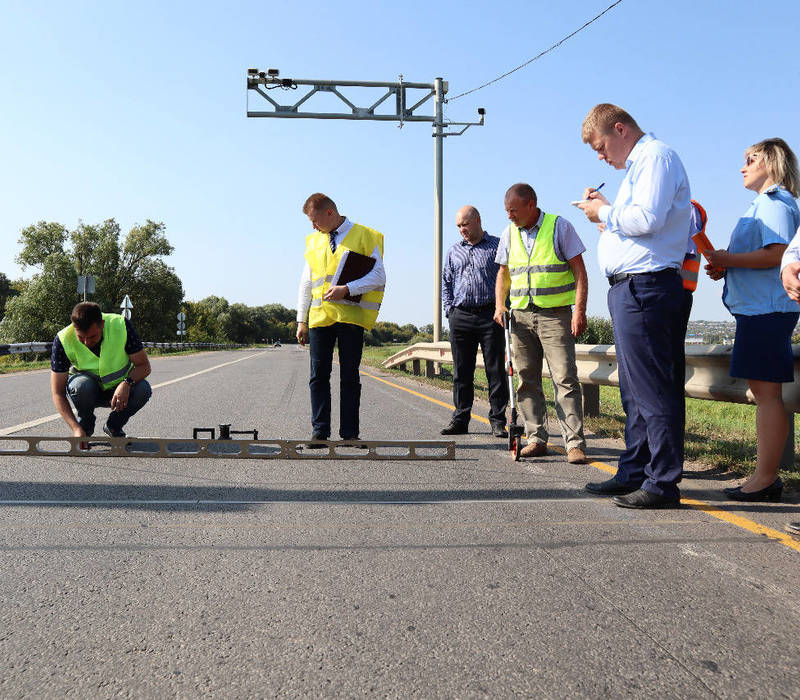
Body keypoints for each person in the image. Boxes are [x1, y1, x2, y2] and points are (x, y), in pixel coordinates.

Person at [577, 103, 691, 509]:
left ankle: (661, 482)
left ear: (620, 129)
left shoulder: (656, 157)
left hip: (647, 286)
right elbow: (637, 225)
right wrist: (605, 217)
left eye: (600, 146)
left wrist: (603, 211)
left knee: (653, 390)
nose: (601, 156)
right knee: (635, 392)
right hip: (632, 288)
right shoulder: (638, 167)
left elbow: (647, 220)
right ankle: (636, 471)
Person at [705, 138, 800, 502]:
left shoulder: (775, 202)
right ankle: (764, 477)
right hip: (762, 310)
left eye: (750, 159)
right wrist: (728, 264)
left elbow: (778, 254)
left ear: (772, 162)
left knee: (767, 397)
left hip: (768, 310)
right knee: (765, 396)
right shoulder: (767, 203)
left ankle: (765, 480)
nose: (742, 167)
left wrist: (728, 259)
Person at [493, 183, 588, 464]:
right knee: (526, 380)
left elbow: (580, 272)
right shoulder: (509, 233)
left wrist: (579, 311)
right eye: (507, 211)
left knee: (565, 379)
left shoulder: (560, 227)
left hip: (555, 315)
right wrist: (500, 304)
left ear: (531, 204)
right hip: (520, 317)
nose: (509, 216)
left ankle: (574, 444)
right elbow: (503, 273)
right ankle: (536, 438)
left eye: (514, 210)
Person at [295, 193, 386, 442]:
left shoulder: (366, 236)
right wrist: (301, 319)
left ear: (329, 212)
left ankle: (349, 434)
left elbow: (379, 276)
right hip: (320, 318)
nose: (313, 227)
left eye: (315, 221)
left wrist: (348, 289)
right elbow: (306, 282)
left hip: (350, 318)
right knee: (318, 376)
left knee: (349, 377)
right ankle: (320, 432)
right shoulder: (314, 241)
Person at [441, 206, 509, 437]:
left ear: (478, 221)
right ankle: (460, 418)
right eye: (459, 226)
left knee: (495, 370)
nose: (462, 230)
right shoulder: (453, 251)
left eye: (465, 225)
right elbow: (446, 282)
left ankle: (498, 420)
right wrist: (449, 310)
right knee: (461, 371)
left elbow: (506, 278)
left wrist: (502, 307)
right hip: (461, 316)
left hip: (490, 316)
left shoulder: (497, 245)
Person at [50, 301, 152, 440]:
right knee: (81, 386)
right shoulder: (62, 339)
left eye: (92, 337)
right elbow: (58, 393)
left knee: (143, 389)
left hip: (119, 393)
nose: (87, 343)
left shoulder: (121, 325)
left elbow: (144, 366)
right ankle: (84, 430)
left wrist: (126, 383)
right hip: (86, 392)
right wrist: (75, 428)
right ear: (74, 328)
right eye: (81, 337)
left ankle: (114, 426)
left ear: (102, 324)